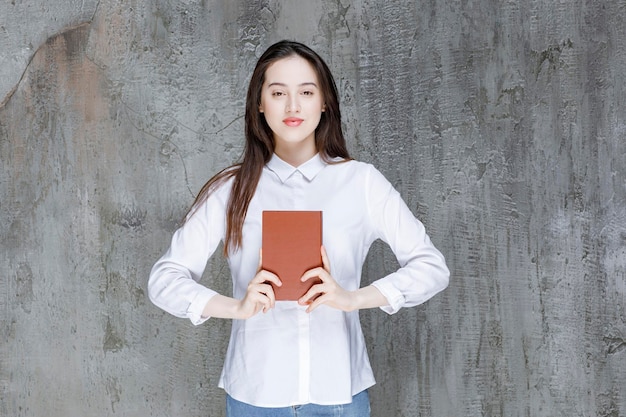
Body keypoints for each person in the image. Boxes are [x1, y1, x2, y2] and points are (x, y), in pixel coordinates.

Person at [148, 40, 450, 417]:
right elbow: (164, 280)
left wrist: (353, 297)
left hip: (339, 393)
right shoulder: (230, 188)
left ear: (324, 102)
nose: (293, 107)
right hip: (255, 395)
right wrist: (237, 307)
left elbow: (432, 268)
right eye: (278, 93)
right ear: (260, 103)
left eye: (306, 92)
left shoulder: (361, 182)